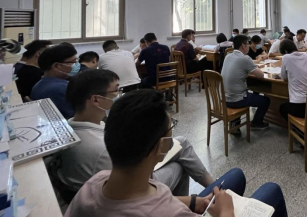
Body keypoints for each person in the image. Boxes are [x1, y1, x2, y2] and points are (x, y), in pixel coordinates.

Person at [65, 89, 288, 217]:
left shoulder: (95, 183)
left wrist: (193, 201)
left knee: (236, 174)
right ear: (162, 146)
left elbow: (142, 199)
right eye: (171, 127)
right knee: (272, 191)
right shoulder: (170, 213)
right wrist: (226, 212)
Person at [59, 70, 215, 198]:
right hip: (135, 187)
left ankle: (213, 187)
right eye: (116, 91)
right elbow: (134, 183)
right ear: (96, 100)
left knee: (181, 143)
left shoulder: (72, 127)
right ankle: (209, 192)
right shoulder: (100, 150)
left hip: (122, 176)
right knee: (180, 165)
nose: (119, 95)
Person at [222, 35, 270, 130]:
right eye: (248, 44)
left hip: (225, 98)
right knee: (265, 100)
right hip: (237, 100)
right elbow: (261, 75)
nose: (249, 46)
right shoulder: (245, 58)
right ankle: (257, 122)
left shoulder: (228, 56)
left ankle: (234, 124)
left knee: (241, 90)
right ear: (243, 45)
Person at [30, 44, 79, 119]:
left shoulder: (42, 83)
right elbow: (78, 117)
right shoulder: (60, 88)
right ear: (56, 66)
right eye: (73, 62)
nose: (77, 65)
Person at [278, 39, 307, 120]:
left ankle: (297, 127)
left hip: (301, 107)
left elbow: (284, 77)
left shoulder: (286, 57)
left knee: (282, 108)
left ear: (285, 51)